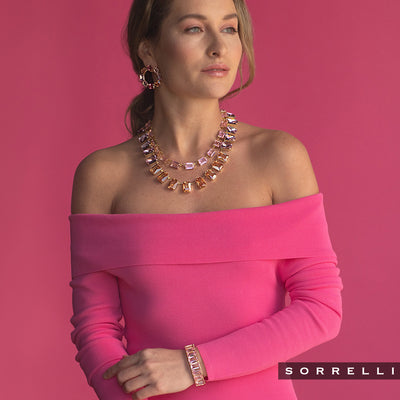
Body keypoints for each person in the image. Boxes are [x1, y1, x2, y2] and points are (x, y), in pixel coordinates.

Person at [68, 0, 343, 399]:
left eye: (229, 29)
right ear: (148, 50)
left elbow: (321, 308)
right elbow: (95, 328)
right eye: (194, 29)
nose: (219, 47)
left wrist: (193, 365)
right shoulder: (103, 176)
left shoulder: (277, 157)